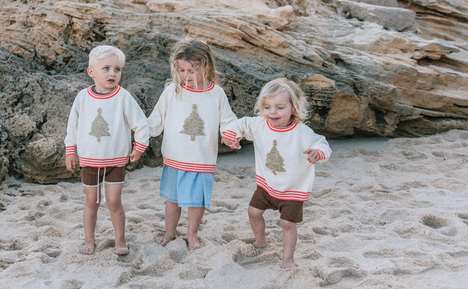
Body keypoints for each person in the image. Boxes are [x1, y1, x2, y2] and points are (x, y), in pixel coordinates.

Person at [229, 77, 331, 269]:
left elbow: (322, 143)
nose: (272, 112)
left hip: (293, 188)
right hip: (267, 185)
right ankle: (260, 241)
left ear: (293, 107)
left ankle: (288, 259)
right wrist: (231, 134)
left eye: (280, 107)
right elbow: (241, 124)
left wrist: (318, 153)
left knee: (287, 224)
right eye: (267, 107)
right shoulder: (260, 125)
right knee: (253, 212)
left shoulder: (302, 132)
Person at [148, 36, 238, 250]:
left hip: (201, 157)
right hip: (174, 156)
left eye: (192, 70)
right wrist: (140, 135)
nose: (186, 76)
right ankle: (170, 232)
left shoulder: (216, 94)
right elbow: (155, 119)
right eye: (181, 70)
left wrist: (230, 134)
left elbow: (228, 120)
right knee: (173, 199)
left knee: (196, 201)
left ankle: (192, 234)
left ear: (206, 67)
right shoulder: (172, 91)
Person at [64, 44, 149, 256]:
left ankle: (120, 239)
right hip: (90, 160)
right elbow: (72, 126)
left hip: (116, 160)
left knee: (113, 202)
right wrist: (70, 150)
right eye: (106, 68)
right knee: (91, 202)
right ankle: (89, 239)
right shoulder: (83, 97)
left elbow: (141, 123)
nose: (112, 73)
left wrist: (139, 147)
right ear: (91, 72)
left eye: (117, 69)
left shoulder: (123, 97)